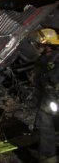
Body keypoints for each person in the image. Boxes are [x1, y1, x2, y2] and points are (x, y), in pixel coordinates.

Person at [32, 28, 59, 162]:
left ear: (48, 45)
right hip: (47, 101)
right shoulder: (42, 60)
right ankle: (49, 158)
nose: (37, 46)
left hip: (55, 99)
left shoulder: (57, 59)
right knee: (46, 128)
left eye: (39, 43)